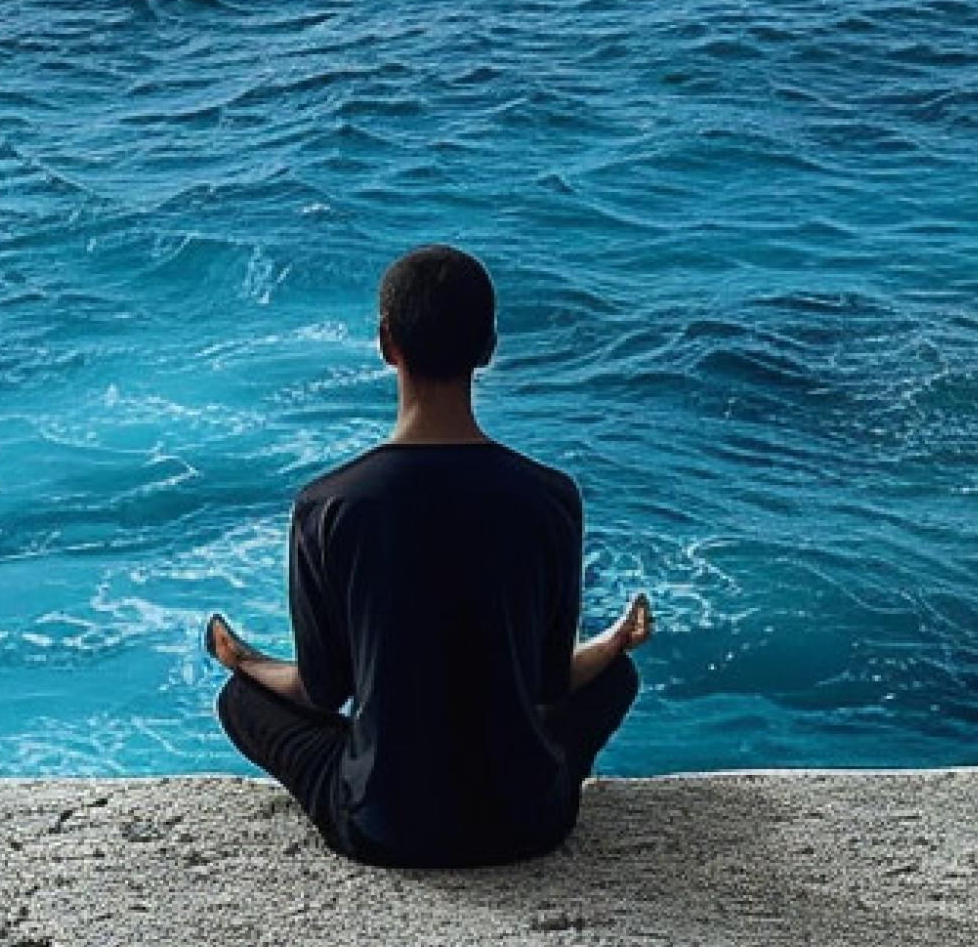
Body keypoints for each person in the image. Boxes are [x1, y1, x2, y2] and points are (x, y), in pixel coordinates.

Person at [205, 243, 652, 867]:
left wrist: (244, 660)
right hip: (529, 820)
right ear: (489, 348)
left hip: (386, 826)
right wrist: (610, 646)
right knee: (618, 678)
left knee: (240, 701)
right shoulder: (550, 498)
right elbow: (550, 683)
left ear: (387, 343)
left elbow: (319, 692)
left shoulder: (327, 506)